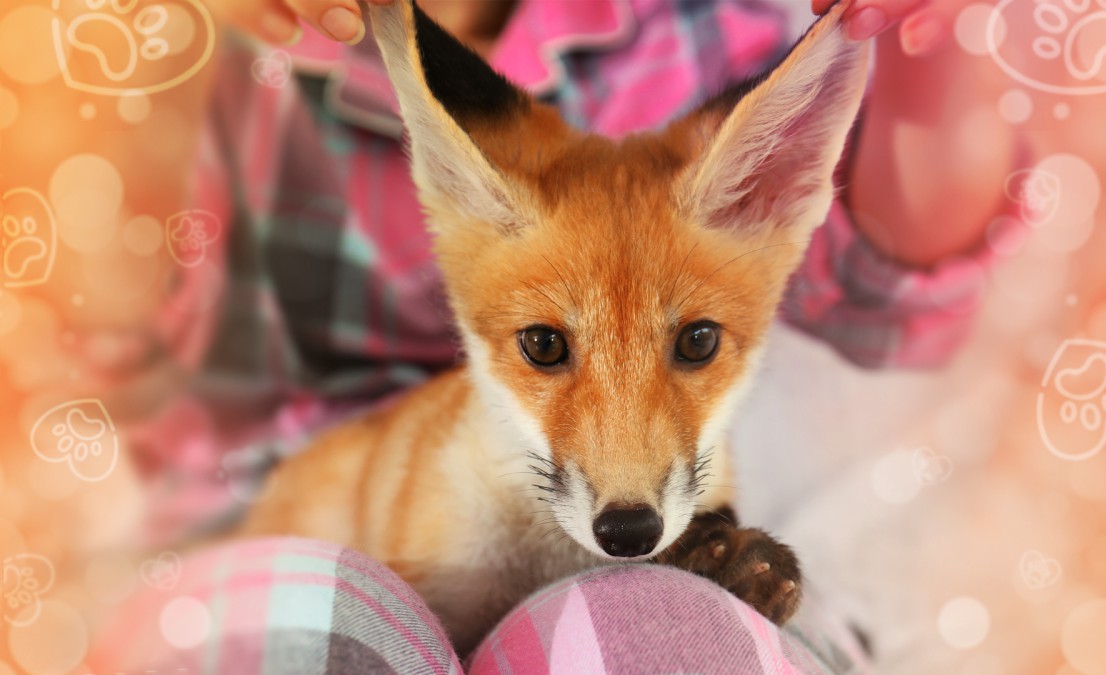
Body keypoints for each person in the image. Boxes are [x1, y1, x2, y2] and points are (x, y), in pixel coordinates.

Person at [88, 0, 1023, 671]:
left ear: (773, 194)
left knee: (667, 643)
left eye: (694, 345)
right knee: (299, 633)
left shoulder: (710, 25)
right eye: (546, 348)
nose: (627, 483)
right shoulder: (246, 60)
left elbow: (894, 299)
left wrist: (927, 62)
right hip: (260, 528)